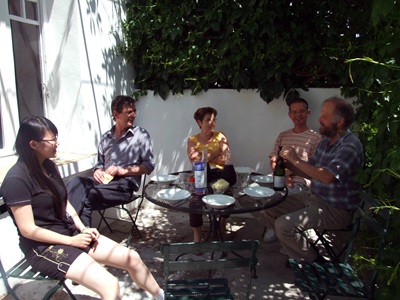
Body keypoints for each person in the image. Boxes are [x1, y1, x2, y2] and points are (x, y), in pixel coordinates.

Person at [0, 116, 164, 300]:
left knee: (131, 258)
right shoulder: (17, 180)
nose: (57, 142)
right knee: (110, 285)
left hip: (70, 234)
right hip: (45, 248)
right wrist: (72, 242)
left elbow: (64, 201)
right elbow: (28, 230)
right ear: (33, 144)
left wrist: (82, 227)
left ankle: (161, 296)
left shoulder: (48, 166)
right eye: (52, 138)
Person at [260, 97, 363, 263]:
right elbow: (312, 173)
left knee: (283, 225)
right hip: (313, 198)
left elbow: (327, 176)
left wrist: (296, 160)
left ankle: (315, 263)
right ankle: (297, 249)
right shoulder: (326, 142)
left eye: (324, 116)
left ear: (340, 121)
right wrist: (287, 166)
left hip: (335, 209)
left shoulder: (350, 146)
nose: (319, 119)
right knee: (267, 208)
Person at [66, 95, 154, 227]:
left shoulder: (141, 135)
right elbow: (100, 163)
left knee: (89, 197)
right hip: (104, 181)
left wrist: (122, 171)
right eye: (129, 112)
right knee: (75, 182)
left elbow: (149, 166)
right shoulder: (105, 138)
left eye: (134, 111)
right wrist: (97, 170)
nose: (134, 115)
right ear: (116, 114)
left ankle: (83, 238)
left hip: (125, 185)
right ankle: (70, 228)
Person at [263, 98, 322, 243]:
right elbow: (273, 160)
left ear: (308, 113)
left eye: (301, 111)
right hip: (279, 179)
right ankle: (275, 227)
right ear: (289, 115)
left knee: (274, 199)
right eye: (294, 112)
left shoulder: (315, 138)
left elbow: (315, 169)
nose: (298, 115)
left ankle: (286, 231)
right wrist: (284, 176)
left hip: (301, 184)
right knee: (254, 197)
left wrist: (289, 176)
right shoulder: (283, 135)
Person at [187, 107, 230, 242]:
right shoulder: (192, 140)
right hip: (201, 175)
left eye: (213, 120)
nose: (212, 123)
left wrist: (204, 155)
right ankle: (197, 237)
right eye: (208, 120)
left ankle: (222, 224)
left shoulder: (220, 136)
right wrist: (216, 152)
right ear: (199, 122)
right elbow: (195, 159)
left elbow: (226, 158)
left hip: (219, 175)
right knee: (194, 203)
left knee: (228, 195)